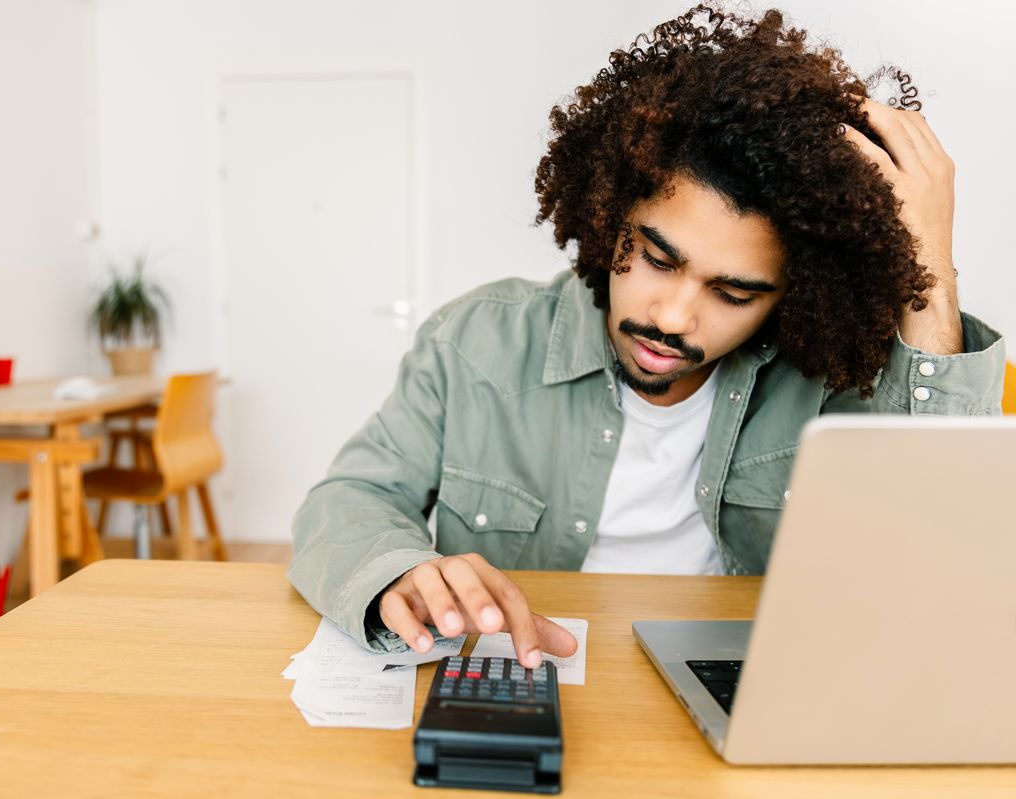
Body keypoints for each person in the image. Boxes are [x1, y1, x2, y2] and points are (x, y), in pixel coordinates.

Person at [288, 4, 1006, 669]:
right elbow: (348, 499)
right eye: (659, 259)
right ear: (610, 213)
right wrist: (400, 571)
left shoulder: (828, 380)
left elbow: (941, 561)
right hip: (534, 686)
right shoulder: (475, 341)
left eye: (733, 292)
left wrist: (930, 274)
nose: (672, 317)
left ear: (796, 294)